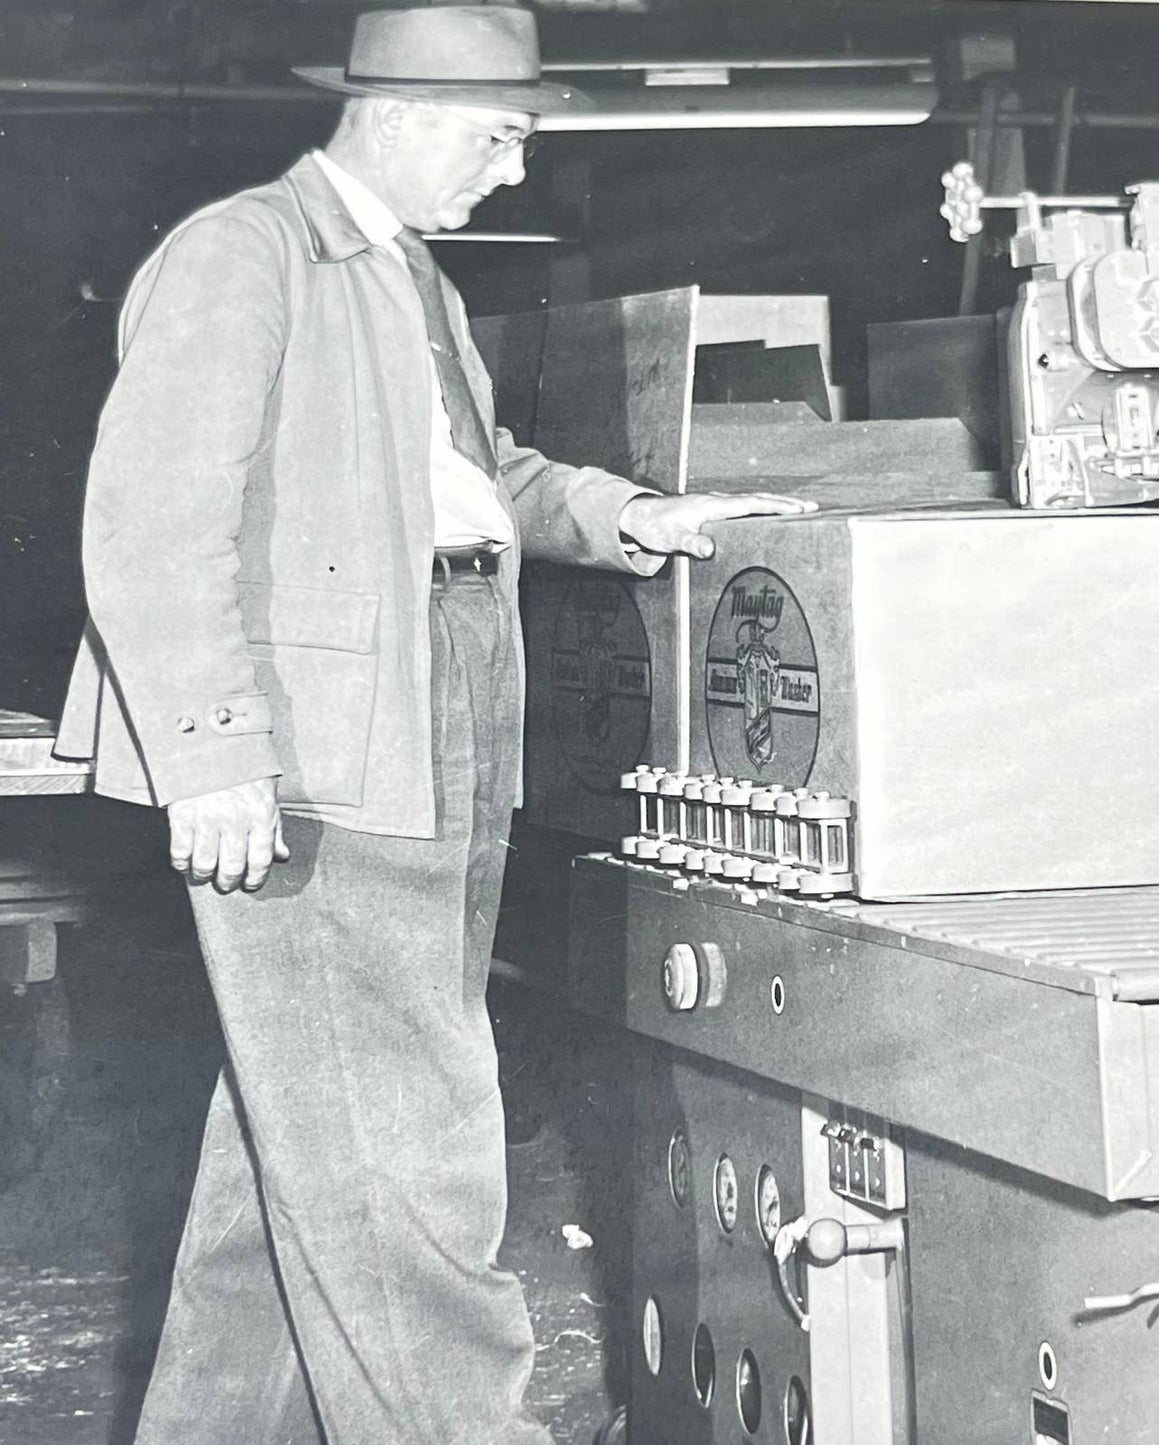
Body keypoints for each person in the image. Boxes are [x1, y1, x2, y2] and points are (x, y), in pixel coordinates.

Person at [54, 5, 809, 1441]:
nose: (512, 171)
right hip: (321, 737)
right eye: (499, 134)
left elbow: (487, 480)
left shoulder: (409, 282)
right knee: (405, 1131)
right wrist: (214, 751)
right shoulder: (245, 253)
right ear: (395, 112)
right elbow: (151, 521)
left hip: (447, 688)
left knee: (308, 1127)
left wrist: (640, 512)